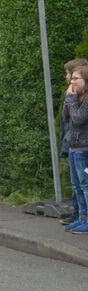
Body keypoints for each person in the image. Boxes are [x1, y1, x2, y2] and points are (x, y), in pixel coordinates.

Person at [63, 65, 88, 234]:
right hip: (74, 146)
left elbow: (78, 119)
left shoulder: (86, 99)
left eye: (76, 79)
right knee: (77, 185)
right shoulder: (75, 98)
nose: (72, 82)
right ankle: (82, 218)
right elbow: (66, 118)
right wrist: (68, 98)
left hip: (84, 147)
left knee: (86, 185)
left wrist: (71, 101)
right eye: (71, 78)